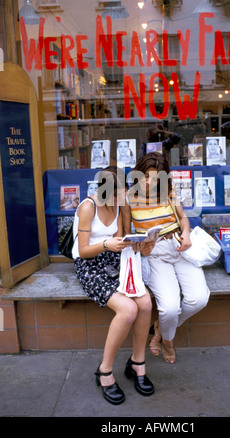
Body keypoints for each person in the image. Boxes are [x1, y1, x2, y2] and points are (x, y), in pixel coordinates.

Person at [72, 165, 154, 405]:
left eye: (124, 191)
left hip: (115, 260)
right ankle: (105, 371)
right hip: (90, 264)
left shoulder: (120, 203)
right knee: (128, 309)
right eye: (118, 193)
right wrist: (108, 244)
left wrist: (138, 244)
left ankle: (138, 363)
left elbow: (122, 238)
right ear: (105, 190)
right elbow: (84, 250)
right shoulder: (88, 207)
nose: (123, 197)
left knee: (146, 303)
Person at [124, 153, 210, 364]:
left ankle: (161, 329)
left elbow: (182, 218)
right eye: (145, 176)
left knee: (199, 299)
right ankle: (168, 341)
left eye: (155, 178)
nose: (149, 182)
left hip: (179, 248)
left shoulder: (169, 193)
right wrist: (140, 247)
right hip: (154, 255)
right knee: (169, 308)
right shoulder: (127, 197)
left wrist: (187, 234)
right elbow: (127, 235)